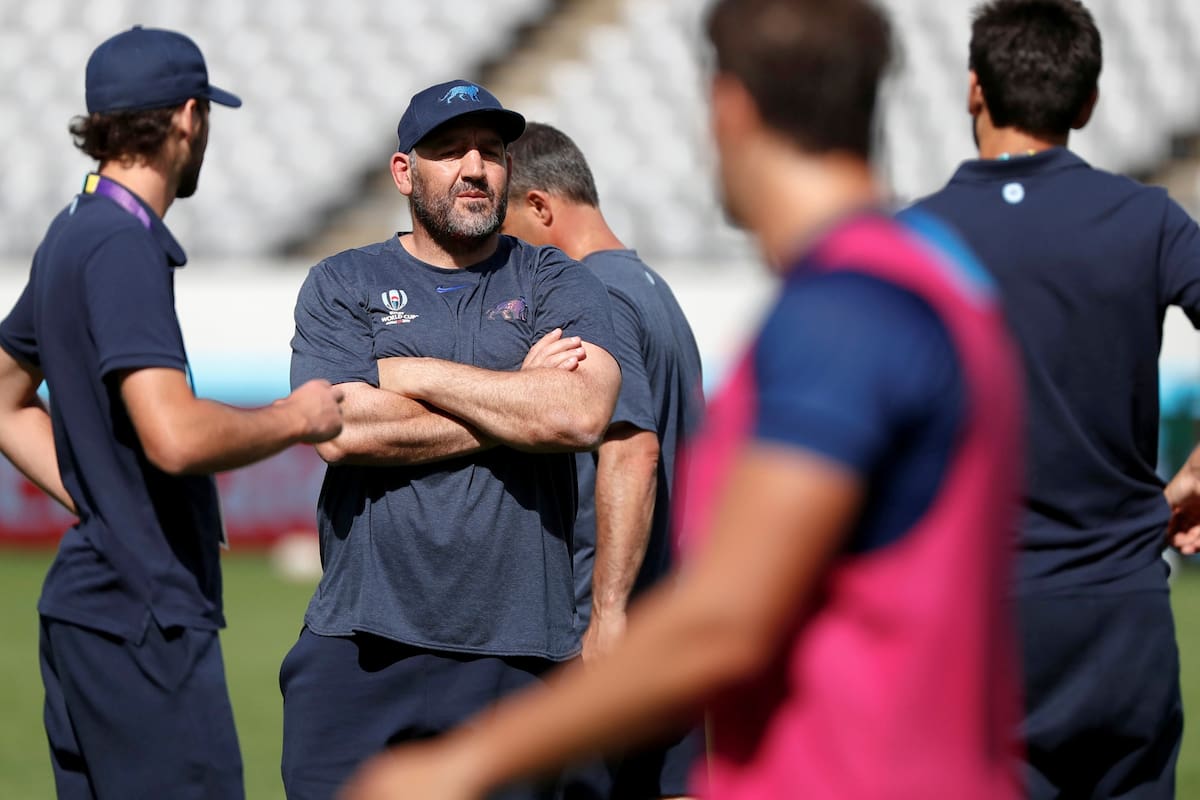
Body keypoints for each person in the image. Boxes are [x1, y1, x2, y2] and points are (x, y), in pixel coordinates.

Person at [340, 1, 1025, 798]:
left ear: (727, 108)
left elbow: (727, 616)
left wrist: (464, 762)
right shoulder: (941, 277)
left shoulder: (843, 310)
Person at [0, 25, 345, 800]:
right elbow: (175, 435)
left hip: (87, 615)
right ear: (189, 118)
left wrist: (94, 491)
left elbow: (2, 396)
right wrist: (298, 416)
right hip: (141, 618)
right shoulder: (123, 244)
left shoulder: (72, 229)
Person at [282, 80, 621, 800]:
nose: (476, 167)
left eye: (492, 152)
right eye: (449, 151)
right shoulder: (342, 283)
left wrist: (411, 373)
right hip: (362, 648)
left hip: (522, 659)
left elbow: (578, 414)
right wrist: (515, 400)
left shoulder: (553, 277)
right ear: (405, 171)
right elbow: (340, 429)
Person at [910, 1, 1199, 796]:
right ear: (1087, 102)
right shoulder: (1150, 219)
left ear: (974, 87)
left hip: (978, 617)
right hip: (1121, 616)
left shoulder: (915, 239)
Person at [503, 122, 706, 800]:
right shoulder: (652, 287)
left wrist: (605, 613)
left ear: (539, 208)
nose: (504, 255)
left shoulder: (594, 295)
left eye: (507, 231)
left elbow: (632, 443)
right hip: (672, 624)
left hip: (609, 637)